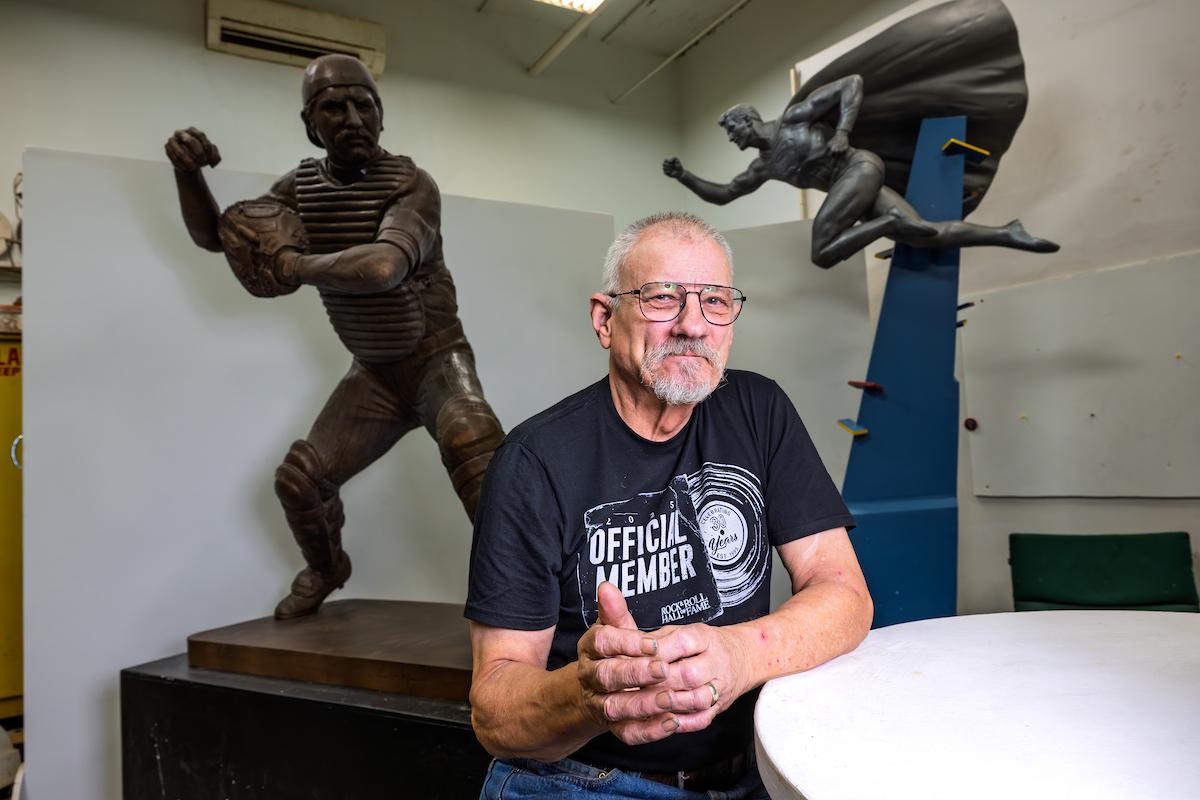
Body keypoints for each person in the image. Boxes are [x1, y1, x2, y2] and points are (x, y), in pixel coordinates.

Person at [465, 211, 873, 798]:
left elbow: (846, 595)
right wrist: (592, 693)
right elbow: (495, 713)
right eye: (662, 298)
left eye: (715, 301)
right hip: (587, 780)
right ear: (605, 320)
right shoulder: (533, 462)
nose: (693, 325)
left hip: (755, 765)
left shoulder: (759, 410)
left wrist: (737, 655)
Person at [165, 55, 505, 619]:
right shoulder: (301, 188)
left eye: (363, 104)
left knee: (479, 454)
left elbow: (383, 268)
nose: (351, 117)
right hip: (372, 373)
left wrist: (292, 265)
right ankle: (326, 567)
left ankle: (531, 594)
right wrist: (187, 175)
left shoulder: (412, 185)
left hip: (437, 360)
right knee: (299, 482)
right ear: (309, 124)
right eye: (332, 106)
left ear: (380, 114)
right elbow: (220, 238)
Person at [662, 74, 1059, 269]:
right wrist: (684, 176)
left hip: (860, 167)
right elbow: (725, 194)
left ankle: (885, 223)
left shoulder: (794, 120)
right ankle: (1008, 232)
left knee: (821, 251)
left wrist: (842, 131)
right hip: (853, 186)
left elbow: (851, 84)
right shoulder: (764, 167)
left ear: (747, 121)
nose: (732, 140)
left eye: (732, 131)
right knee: (925, 234)